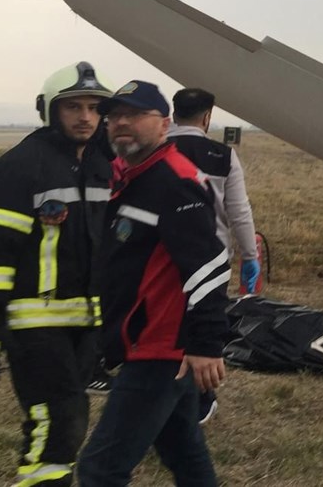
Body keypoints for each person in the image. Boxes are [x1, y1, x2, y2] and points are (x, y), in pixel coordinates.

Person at [77, 81, 230, 486]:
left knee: (100, 469)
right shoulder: (131, 175)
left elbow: (209, 262)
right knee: (183, 451)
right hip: (145, 341)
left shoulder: (173, 180)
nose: (121, 123)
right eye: (114, 117)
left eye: (134, 115)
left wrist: (205, 344)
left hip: (159, 348)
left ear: (164, 124)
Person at [0, 62, 113, 487]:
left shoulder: (104, 166)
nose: (85, 117)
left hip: (85, 322)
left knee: (66, 414)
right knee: (57, 419)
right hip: (34, 324)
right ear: (50, 110)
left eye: (95, 108)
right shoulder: (22, 166)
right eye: (74, 107)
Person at [169, 88, 260, 294]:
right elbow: (239, 212)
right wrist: (249, 256)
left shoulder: (154, 151)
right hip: (211, 259)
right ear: (207, 117)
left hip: (162, 256)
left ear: (174, 115)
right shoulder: (224, 156)